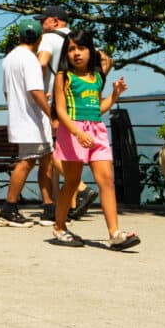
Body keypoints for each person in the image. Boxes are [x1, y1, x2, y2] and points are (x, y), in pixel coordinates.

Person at [50, 31, 140, 250]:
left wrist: (115, 95)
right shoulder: (64, 76)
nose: (76, 53)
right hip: (72, 131)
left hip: (97, 131)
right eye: (71, 49)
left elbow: (97, 108)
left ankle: (115, 234)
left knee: (106, 181)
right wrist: (77, 133)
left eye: (81, 48)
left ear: (90, 50)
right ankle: (60, 227)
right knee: (71, 182)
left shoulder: (97, 77)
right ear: (66, 53)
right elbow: (60, 110)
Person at [36, 5, 97, 221]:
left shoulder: (49, 38)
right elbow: (106, 61)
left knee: (50, 152)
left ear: (54, 21)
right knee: (68, 152)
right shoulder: (76, 40)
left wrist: (37, 88)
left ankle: (80, 189)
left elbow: (42, 62)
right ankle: (71, 205)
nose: (41, 25)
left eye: (43, 20)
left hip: (55, 101)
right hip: (79, 101)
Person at [0, 18, 53, 227]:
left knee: (46, 159)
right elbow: (35, 90)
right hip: (33, 120)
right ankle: (8, 208)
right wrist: (51, 115)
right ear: (39, 38)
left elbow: (7, 91)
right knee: (27, 161)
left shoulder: (9, 59)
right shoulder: (31, 59)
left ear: (19, 36)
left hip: (22, 117)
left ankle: (49, 207)